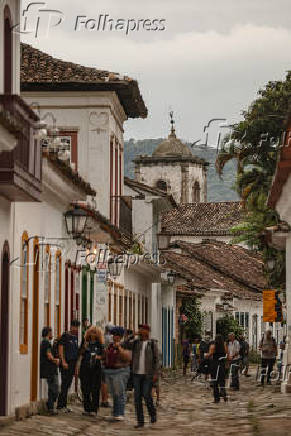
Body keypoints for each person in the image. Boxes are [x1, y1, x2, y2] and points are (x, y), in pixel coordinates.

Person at [131, 324, 158, 429]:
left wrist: (156, 373)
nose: (140, 331)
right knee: (137, 398)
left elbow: (156, 360)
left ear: (147, 331)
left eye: (142, 329)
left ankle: (152, 413)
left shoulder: (152, 344)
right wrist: (132, 336)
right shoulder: (136, 343)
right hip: (136, 374)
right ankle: (140, 421)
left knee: (147, 395)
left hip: (148, 374)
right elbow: (124, 345)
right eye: (139, 329)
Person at [103, 326, 131, 421]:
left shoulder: (124, 345)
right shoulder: (110, 345)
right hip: (110, 371)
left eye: (115, 335)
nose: (113, 337)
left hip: (120, 371)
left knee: (120, 392)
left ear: (119, 336)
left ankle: (120, 413)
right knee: (114, 393)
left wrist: (119, 348)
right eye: (113, 335)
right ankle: (115, 413)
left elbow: (127, 358)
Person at [78, 326, 104, 416]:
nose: (93, 334)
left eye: (95, 332)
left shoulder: (99, 344)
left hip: (96, 369)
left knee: (95, 389)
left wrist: (98, 357)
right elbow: (80, 354)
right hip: (85, 368)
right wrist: (84, 348)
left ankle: (94, 409)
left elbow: (103, 356)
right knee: (85, 388)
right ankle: (87, 408)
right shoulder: (85, 342)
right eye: (92, 332)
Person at [57, 320, 80, 412]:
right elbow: (61, 349)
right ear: (71, 327)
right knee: (64, 384)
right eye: (75, 327)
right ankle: (60, 405)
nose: (76, 329)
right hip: (66, 363)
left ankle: (64, 405)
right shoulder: (65, 336)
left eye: (77, 327)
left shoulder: (75, 338)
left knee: (68, 384)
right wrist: (63, 361)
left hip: (72, 364)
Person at [40, 327, 60, 415]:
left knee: (52, 388)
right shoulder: (47, 343)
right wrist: (55, 360)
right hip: (50, 369)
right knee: (54, 389)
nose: (52, 335)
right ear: (48, 333)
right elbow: (49, 355)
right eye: (51, 333)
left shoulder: (44, 343)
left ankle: (50, 406)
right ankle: (50, 406)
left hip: (49, 369)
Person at [206, 334, 228, 403]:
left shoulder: (213, 346)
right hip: (222, 364)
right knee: (222, 381)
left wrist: (206, 355)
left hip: (215, 365)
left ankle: (216, 398)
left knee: (215, 382)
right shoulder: (224, 346)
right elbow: (227, 355)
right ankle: (223, 393)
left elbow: (209, 355)